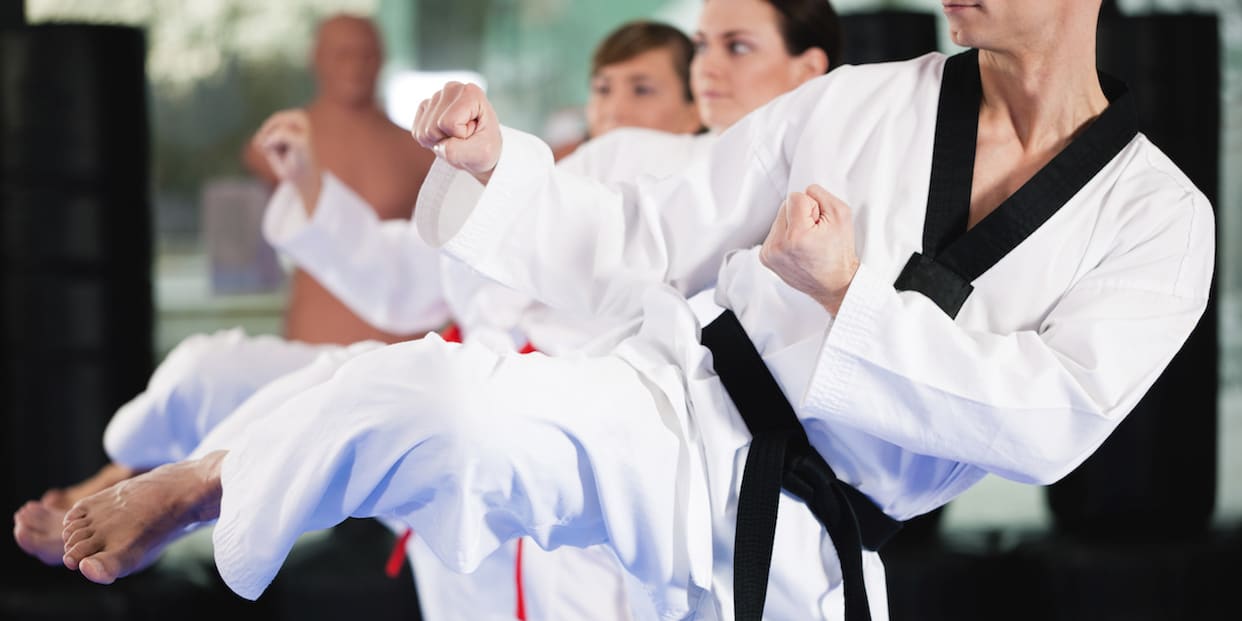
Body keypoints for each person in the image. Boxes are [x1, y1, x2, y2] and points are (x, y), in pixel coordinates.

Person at [62, 1, 1213, 620]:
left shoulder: (1162, 219)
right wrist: (497, 166)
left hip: (823, 533)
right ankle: (213, 482)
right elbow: (654, 229)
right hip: (676, 407)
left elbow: (1053, 420)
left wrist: (847, 294)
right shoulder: (864, 102)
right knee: (449, 400)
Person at [19, 7, 831, 618]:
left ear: (807, 72)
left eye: (644, 87)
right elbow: (412, 274)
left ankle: (182, 492)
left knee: (361, 406)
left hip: (576, 456)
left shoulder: (751, 203)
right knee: (223, 371)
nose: (615, 105)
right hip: (478, 396)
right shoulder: (556, 178)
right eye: (602, 87)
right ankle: (129, 478)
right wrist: (311, 187)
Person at [551, 19, 703, 160]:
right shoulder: (555, 168)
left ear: (695, 113)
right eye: (603, 89)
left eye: (642, 90)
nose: (614, 111)